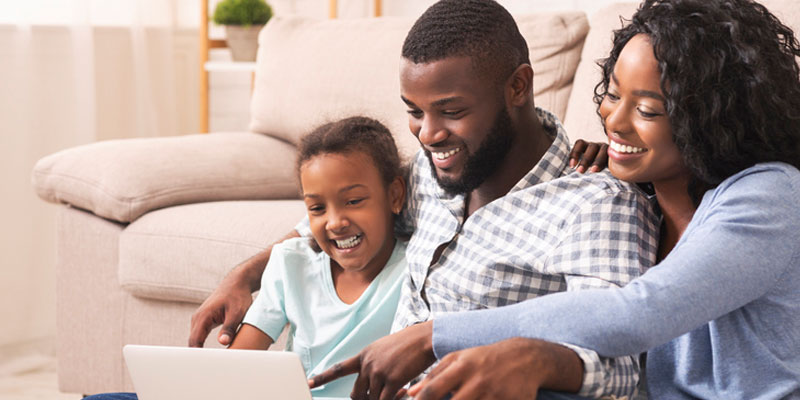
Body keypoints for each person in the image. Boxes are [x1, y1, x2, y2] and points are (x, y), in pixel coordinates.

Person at [397, 0, 800, 399]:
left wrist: (435, 335)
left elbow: (635, 314)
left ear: (711, 116)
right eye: (612, 94)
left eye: (646, 109)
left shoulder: (769, 196)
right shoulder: (639, 202)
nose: (615, 122)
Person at [304, 1, 659, 399]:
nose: (427, 134)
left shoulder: (597, 204)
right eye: (415, 111)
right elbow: (349, 214)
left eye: (451, 111)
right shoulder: (430, 170)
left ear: (518, 87)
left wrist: (527, 357)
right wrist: (249, 275)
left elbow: (620, 369)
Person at [86, 116, 409, 399]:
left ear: (394, 195)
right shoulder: (289, 262)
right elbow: (238, 365)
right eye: (317, 208)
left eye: (353, 201)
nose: (335, 222)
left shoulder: (414, 268)